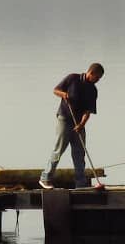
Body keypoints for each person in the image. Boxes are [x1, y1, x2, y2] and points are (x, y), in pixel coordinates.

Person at [40, 62, 104, 190]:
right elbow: (55, 90)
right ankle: (45, 178)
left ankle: (80, 184)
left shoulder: (93, 90)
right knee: (59, 149)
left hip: (79, 124)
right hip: (64, 119)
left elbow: (88, 111)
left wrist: (81, 125)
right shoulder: (72, 78)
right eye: (97, 77)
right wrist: (63, 94)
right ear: (90, 73)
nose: (97, 80)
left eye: (99, 79)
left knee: (79, 153)